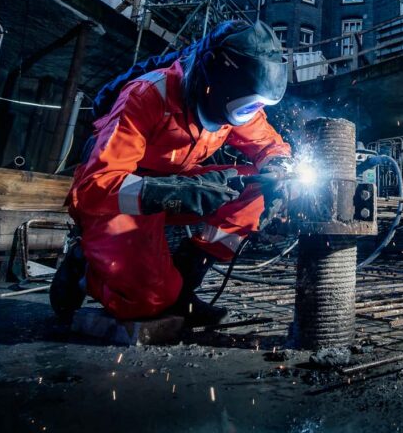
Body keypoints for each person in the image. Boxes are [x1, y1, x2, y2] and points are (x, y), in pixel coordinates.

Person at [50, 20, 293, 326]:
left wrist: (280, 167)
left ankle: (184, 284)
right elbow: (94, 189)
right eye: (247, 106)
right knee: (149, 300)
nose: (248, 114)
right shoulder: (146, 95)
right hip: (116, 201)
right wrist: (173, 193)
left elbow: (269, 145)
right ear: (214, 81)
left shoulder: (238, 101)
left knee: (258, 185)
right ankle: (85, 268)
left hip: (177, 189)